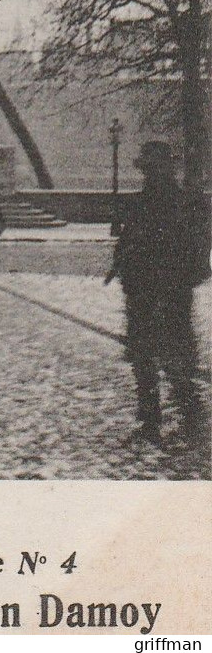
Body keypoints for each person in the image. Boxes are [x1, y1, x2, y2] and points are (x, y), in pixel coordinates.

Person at [108, 140, 209, 448]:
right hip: (146, 287)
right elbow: (128, 240)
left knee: (169, 349)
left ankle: (182, 411)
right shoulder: (152, 202)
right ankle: (160, 414)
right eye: (149, 169)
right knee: (150, 351)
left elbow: (200, 243)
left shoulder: (185, 203)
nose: (152, 174)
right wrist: (120, 264)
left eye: (155, 168)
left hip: (167, 286)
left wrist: (191, 272)